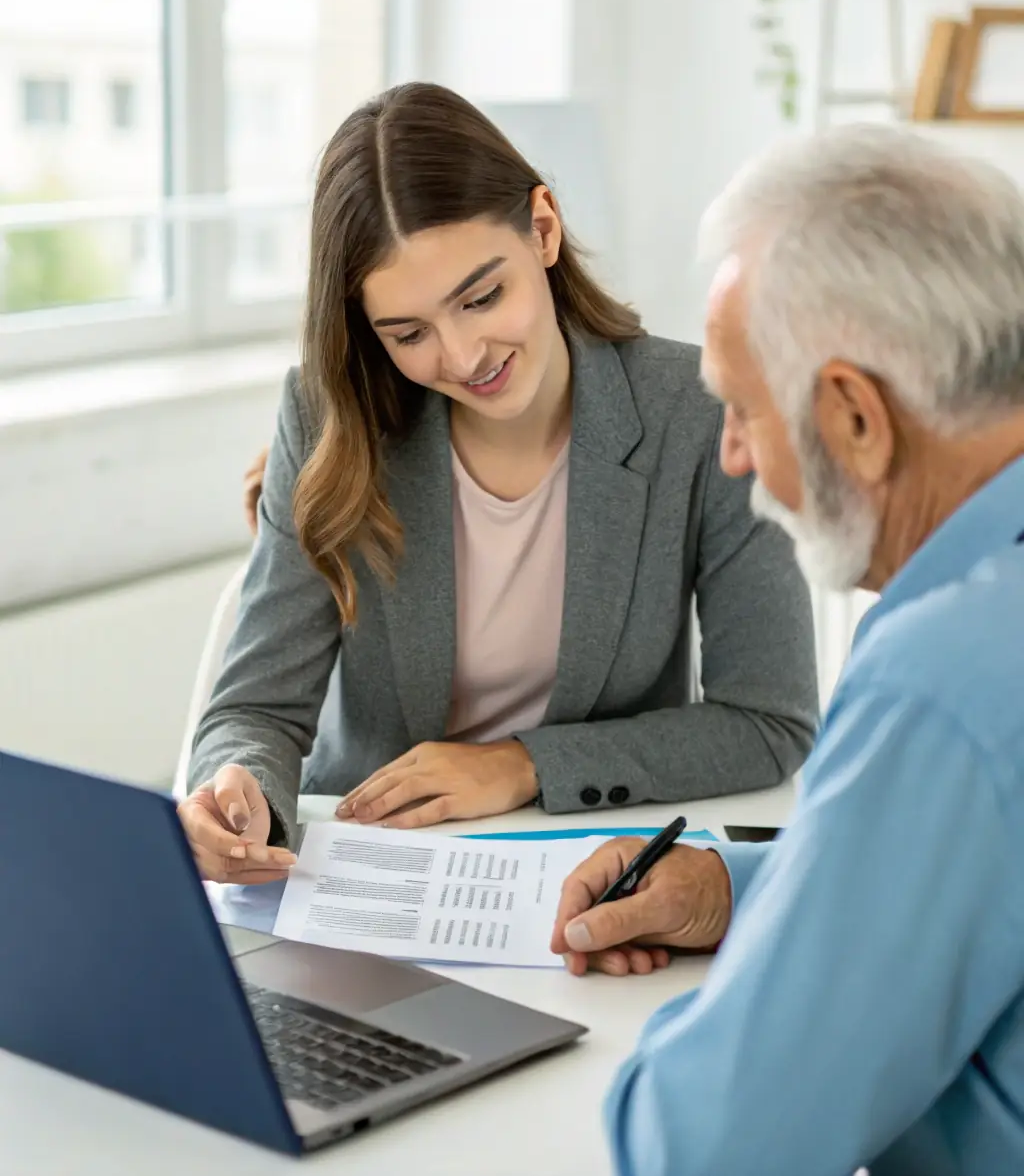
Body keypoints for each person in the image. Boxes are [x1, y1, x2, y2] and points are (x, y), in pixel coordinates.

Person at [179, 82, 817, 885]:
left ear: (542, 228)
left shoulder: (699, 411)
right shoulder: (326, 416)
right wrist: (237, 791)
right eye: (408, 332)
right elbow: (254, 713)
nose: (464, 355)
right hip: (371, 875)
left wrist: (520, 765)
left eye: (483, 296)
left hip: (595, 865)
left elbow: (768, 722)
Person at [550, 124, 1024, 1176]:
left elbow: (708, 1147)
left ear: (856, 416)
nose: (727, 455)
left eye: (739, 408)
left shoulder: (949, 677)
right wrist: (731, 892)